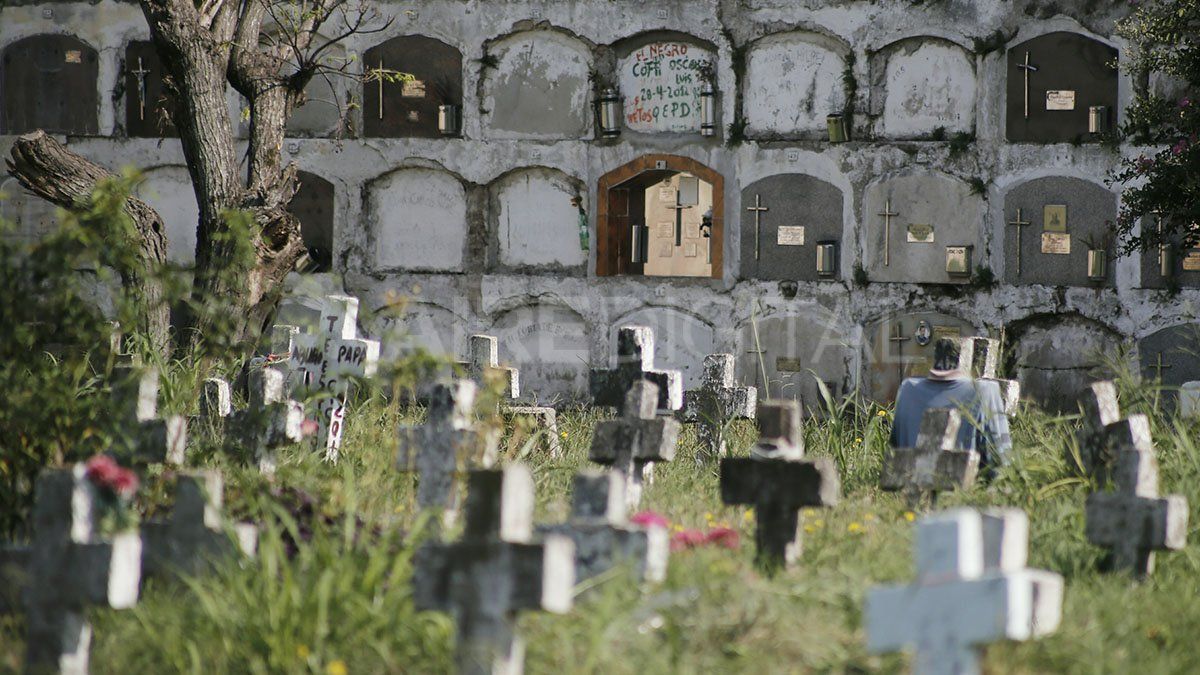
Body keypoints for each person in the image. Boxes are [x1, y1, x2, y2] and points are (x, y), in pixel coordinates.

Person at [889, 337, 1012, 468]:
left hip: (910, 476)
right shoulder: (985, 390)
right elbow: (1001, 457)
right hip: (965, 477)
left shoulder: (908, 389)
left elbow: (895, 451)